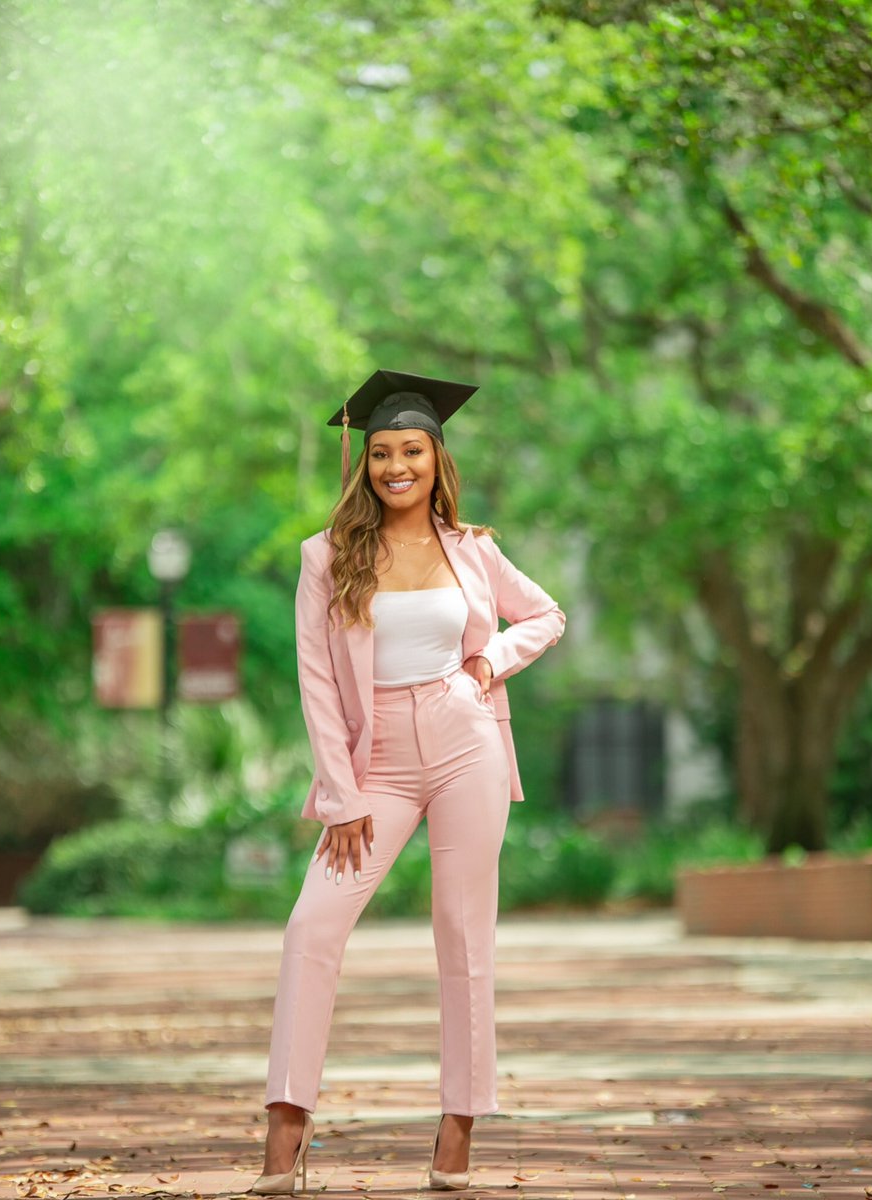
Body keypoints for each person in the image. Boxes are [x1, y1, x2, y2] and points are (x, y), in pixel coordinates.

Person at [251, 370, 565, 1194]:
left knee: (464, 935)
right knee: (311, 927)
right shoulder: (326, 556)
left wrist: (488, 661)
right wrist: (340, 794)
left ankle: (459, 1124)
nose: (396, 466)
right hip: (375, 762)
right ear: (365, 462)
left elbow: (545, 614)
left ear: (437, 459)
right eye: (382, 452)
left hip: (466, 742)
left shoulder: (473, 549)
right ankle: (287, 1124)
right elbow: (317, 680)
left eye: (412, 451)